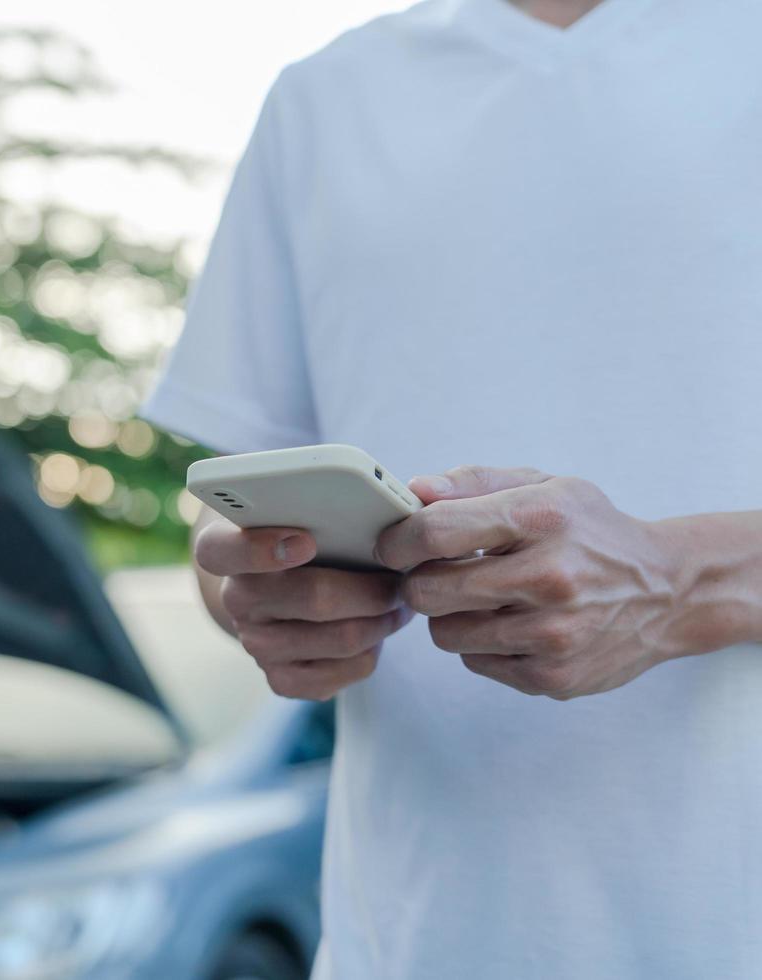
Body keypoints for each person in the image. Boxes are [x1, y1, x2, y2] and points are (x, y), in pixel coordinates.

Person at [139, 0, 762, 977]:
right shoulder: (325, 101)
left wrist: (684, 581)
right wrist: (261, 593)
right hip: (411, 942)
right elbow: (225, 528)